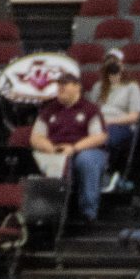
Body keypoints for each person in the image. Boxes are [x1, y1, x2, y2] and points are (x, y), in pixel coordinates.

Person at [31, 67, 110, 223]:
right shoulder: (49, 110)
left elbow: (100, 136)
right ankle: (48, 214)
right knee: (41, 159)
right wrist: (52, 149)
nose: (61, 87)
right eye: (59, 84)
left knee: (86, 160)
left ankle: (88, 212)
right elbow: (36, 137)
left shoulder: (90, 109)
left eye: (65, 84)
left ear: (77, 87)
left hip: (86, 151)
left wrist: (74, 148)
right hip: (55, 151)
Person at [96, 52, 140, 187]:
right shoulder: (98, 87)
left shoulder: (131, 87)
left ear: (121, 65)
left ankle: (104, 174)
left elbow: (135, 116)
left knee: (105, 138)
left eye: (115, 62)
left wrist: (110, 122)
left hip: (120, 125)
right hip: (98, 124)